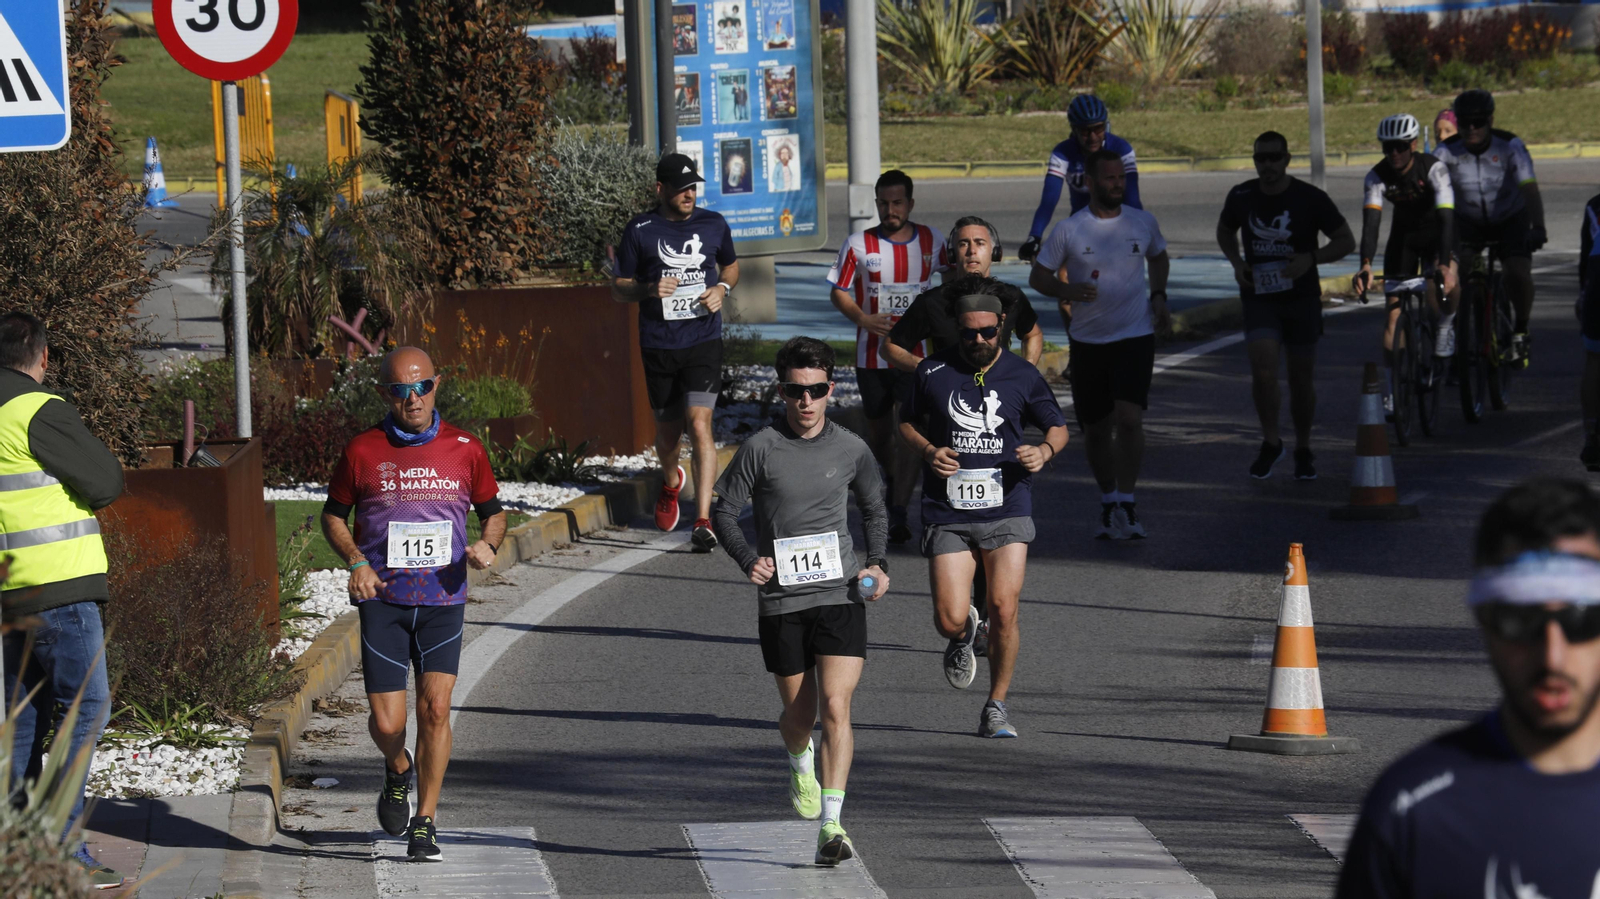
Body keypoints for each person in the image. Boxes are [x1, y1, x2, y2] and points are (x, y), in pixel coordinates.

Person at [1338, 478, 1600, 897]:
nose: (1553, 656)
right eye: (1520, 619)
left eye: (1582, 619)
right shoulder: (1414, 811)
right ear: (1483, 621)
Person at [321, 347, 507, 862]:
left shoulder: (465, 448)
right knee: (386, 725)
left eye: (422, 386)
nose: (414, 398)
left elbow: (494, 513)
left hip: (444, 598)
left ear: (437, 384)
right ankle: (398, 767)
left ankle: (425, 820)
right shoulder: (362, 450)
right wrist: (356, 559)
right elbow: (333, 516)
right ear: (386, 393)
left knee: (437, 708)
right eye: (402, 390)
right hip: (383, 600)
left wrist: (488, 545)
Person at [710, 336, 889, 867]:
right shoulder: (761, 447)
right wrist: (749, 560)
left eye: (815, 390)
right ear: (782, 390)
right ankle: (797, 756)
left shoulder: (852, 448)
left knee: (837, 706)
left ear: (830, 389)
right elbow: (723, 512)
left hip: (839, 594)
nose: (805, 402)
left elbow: (876, 509)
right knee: (800, 714)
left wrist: (877, 564)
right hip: (783, 601)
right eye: (794, 391)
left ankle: (832, 825)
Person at [898, 289, 1069, 738]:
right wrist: (929, 449)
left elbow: (1056, 425)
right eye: (970, 332)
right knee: (948, 618)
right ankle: (960, 635)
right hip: (948, 510)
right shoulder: (932, 371)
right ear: (958, 330)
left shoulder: (1022, 375)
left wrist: (1045, 450)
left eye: (988, 332)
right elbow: (906, 422)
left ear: (1001, 329)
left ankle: (996, 706)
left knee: (1004, 607)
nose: (979, 339)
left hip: (1008, 505)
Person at [0, 311, 126, 890]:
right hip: (60, 591)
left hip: (9, 596)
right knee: (86, 709)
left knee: (21, 722)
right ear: (42, 357)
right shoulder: (36, 409)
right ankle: (58, 845)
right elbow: (105, 481)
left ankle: (17, 843)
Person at [1031, 149, 1171, 540]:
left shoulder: (1142, 222)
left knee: (1129, 419)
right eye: (1108, 179)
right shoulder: (1070, 229)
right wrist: (1066, 289)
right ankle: (1108, 499)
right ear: (1090, 182)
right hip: (1089, 341)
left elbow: (1159, 257)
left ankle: (1127, 498)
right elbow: (1038, 277)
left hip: (1135, 337)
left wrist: (1158, 296)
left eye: (1120, 178)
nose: (1116, 185)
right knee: (1095, 429)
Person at [613, 152, 739, 553]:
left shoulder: (713, 224)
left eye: (693, 187)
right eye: (681, 188)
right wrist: (648, 290)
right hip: (659, 343)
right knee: (667, 434)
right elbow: (620, 286)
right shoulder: (640, 230)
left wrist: (722, 289)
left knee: (700, 425)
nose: (689, 194)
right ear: (660, 189)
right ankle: (671, 481)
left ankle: (702, 519)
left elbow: (731, 267)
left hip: (703, 339)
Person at [1216, 131, 1356, 481]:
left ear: (1287, 159)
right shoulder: (1242, 195)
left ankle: (1304, 446)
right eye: (1261, 158)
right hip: (1260, 298)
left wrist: (1311, 258)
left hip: (1301, 298)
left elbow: (1345, 240)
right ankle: (1271, 441)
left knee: (1299, 376)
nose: (1268, 165)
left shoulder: (1309, 198)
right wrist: (1236, 263)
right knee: (1263, 368)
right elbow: (1224, 231)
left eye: (1275, 157)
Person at [826, 169, 946, 545]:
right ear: (876, 203)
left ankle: (897, 508)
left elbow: (956, 277)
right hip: (871, 357)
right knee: (880, 434)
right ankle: (894, 479)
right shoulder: (858, 245)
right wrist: (862, 318)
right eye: (883, 203)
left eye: (897, 203)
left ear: (910, 203)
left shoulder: (932, 240)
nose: (890, 210)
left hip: (915, 358)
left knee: (909, 431)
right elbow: (838, 291)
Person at [1353, 113, 1461, 414]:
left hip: (1439, 231)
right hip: (1405, 240)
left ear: (1413, 144)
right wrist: (1365, 264)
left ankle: (1445, 324)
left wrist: (1443, 264)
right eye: (1388, 148)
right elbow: (1371, 224)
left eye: (1400, 146)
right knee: (1392, 314)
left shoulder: (1434, 169)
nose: (1394, 154)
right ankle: (1393, 388)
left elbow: (1446, 216)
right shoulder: (1376, 176)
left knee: (1445, 280)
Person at [1433, 89, 1547, 367]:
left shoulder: (1510, 146)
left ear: (1490, 120)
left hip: (1510, 218)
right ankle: (1457, 333)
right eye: (1465, 122)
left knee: (1517, 272)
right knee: (1451, 274)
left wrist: (1538, 227)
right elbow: (1431, 195)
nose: (1471, 128)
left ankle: (1520, 328)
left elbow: (1529, 189)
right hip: (1467, 222)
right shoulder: (1446, 152)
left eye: (1479, 122)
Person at [1019, 93, 1143, 328]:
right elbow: (1049, 200)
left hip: (1114, 225)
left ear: (1106, 125)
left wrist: (1138, 230)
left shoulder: (1121, 148)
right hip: (1080, 225)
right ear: (1073, 130)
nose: (1093, 136)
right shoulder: (1063, 152)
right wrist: (1034, 236)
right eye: (1085, 131)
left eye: (1098, 129)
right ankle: (1076, 347)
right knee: (1064, 283)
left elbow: (1133, 198)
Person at [1580, 189, 1600, 470]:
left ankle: (1592, 436)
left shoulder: (1595, 204)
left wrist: (1581, 295)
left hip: (1597, 276)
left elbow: (1585, 259)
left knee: (1595, 358)